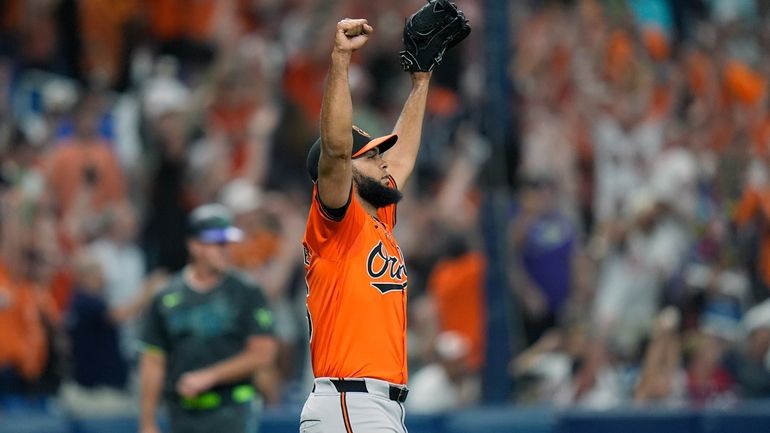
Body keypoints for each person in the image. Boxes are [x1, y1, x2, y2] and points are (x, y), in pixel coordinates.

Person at [299, 13, 464, 431]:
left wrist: (421, 82)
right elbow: (336, 150)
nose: (382, 161)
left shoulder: (377, 216)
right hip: (350, 401)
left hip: (371, 405)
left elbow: (404, 155)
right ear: (346, 172)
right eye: (371, 155)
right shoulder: (336, 222)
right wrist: (340, 59)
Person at [138, 204, 278, 433]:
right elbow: (153, 361)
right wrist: (147, 422)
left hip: (233, 411)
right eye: (217, 243)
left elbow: (264, 353)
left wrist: (210, 376)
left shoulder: (246, 292)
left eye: (227, 243)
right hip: (183, 415)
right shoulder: (167, 298)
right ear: (195, 245)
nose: (226, 250)